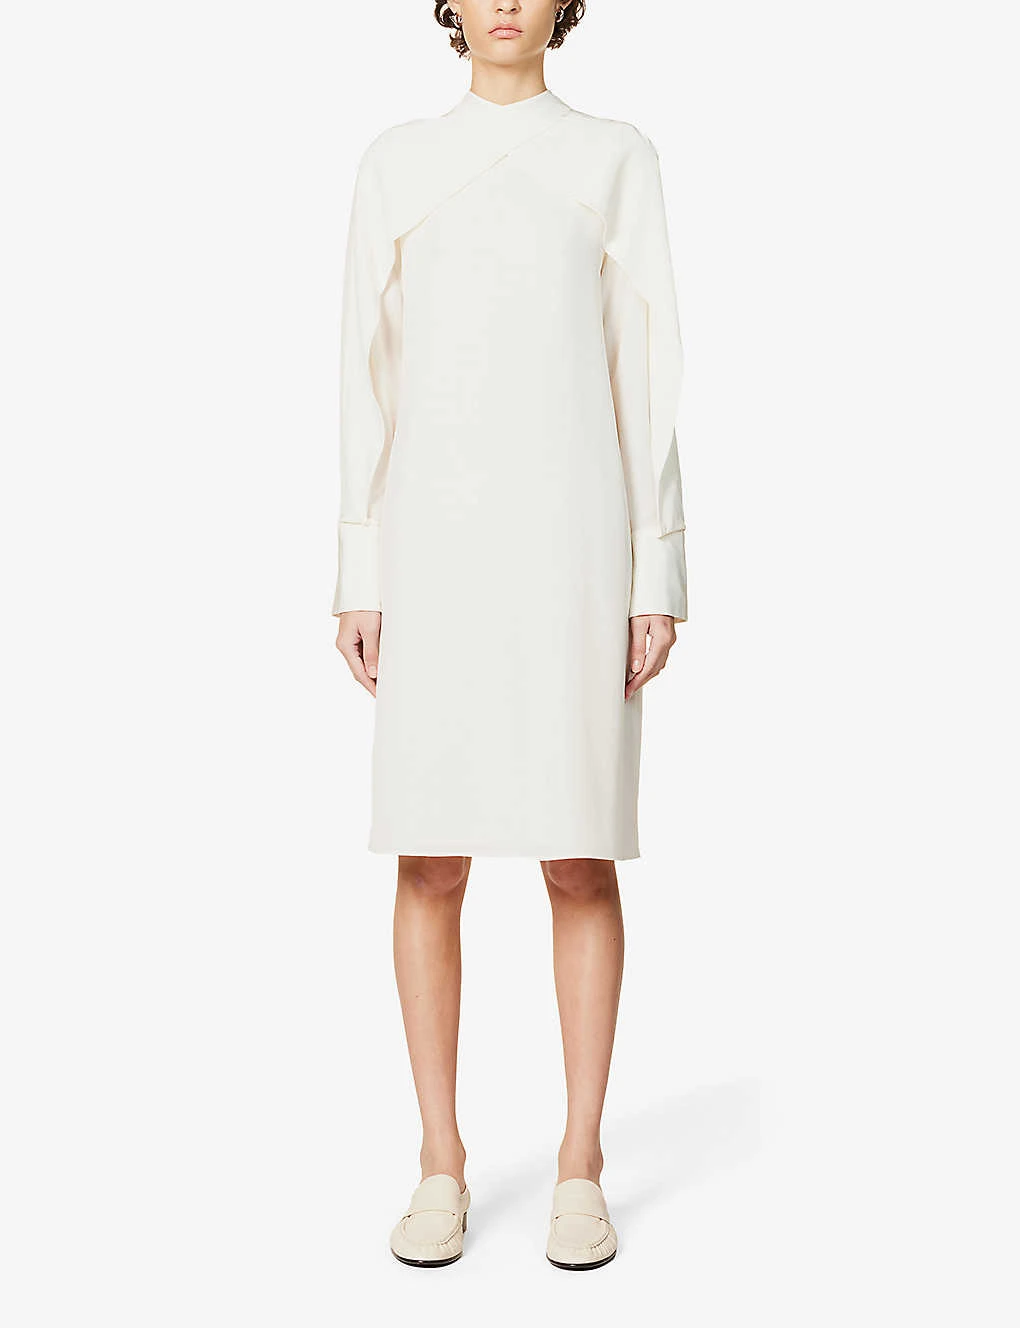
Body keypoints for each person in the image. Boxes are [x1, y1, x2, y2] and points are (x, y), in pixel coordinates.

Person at [332, 0, 687, 1270]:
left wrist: (657, 566)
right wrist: (359, 566)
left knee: (578, 855)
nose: (503, 3)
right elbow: (363, 374)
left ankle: (580, 1163)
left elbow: (648, 369)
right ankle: (441, 1158)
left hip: (575, 548)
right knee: (430, 856)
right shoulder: (397, 162)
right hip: (432, 550)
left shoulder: (615, 156)